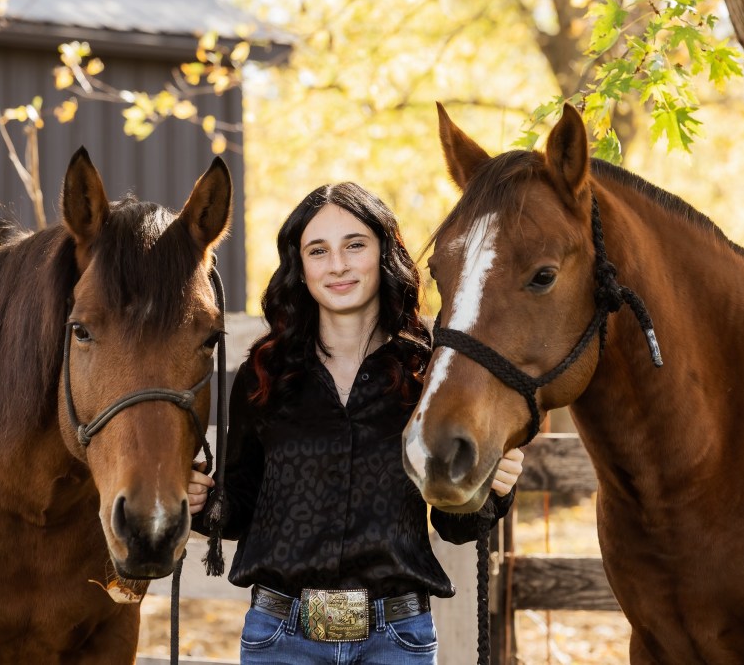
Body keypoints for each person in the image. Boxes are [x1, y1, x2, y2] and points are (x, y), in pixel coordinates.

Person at [189, 182, 524, 664]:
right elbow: (239, 508)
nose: (337, 265)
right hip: (280, 638)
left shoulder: (428, 375)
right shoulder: (265, 375)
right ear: (300, 267)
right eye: (318, 250)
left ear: (384, 253)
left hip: (397, 639)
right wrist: (200, 501)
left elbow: (454, 524)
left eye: (354, 245)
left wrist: (494, 488)